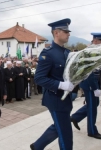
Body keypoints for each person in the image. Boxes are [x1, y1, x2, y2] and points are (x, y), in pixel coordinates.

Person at [30, 18, 74, 150]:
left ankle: (38, 146)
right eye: (65, 31)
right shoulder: (47, 54)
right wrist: (61, 85)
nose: (68, 34)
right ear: (56, 33)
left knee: (59, 126)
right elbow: (39, 78)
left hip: (66, 99)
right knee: (66, 134)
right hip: (55, 99)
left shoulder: (67, 52)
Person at [71, 33, 101, 140]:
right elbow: (89, 72)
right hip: (90, 83)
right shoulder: (90, 53)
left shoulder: (95, 51)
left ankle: (75, 117)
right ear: (95, 41)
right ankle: (92, 131)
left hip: (91, 83)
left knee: (94, 104)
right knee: (92, 108)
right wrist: (95, 87)